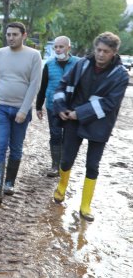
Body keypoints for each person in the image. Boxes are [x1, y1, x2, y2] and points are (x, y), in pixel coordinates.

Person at [52, 32, 128, 222]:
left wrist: (81, 112)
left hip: (100, 124)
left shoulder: (121, 75)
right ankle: (61, 188)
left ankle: (85, 205)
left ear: (114, 52)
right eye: (98, 50)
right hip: (72, 119)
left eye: (106, 51)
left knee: (92, 165)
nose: (101, 54)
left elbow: (110, 102)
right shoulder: (81, 64)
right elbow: (62, 85)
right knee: (67, 158)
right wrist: (61, 107)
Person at [0, 22, 42, 203]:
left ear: (24, 35)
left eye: (15, 34)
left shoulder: (34, 55)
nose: (11, 38)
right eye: (8, 34)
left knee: (15, 147)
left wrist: (24, 110)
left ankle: (9, 183)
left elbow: (35, 84)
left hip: (20, 110)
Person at [35, 36, 80, 177]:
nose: (58, 49)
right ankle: (55, 165)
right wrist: (38, 106)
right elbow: (43, 87)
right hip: (52, 105)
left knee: (68, 136)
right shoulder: (49, 64)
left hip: (71, 106)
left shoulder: (78, 63)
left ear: (68, 48)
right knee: (55, 134)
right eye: (56, 47)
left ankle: (65, 166)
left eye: (61, 46)